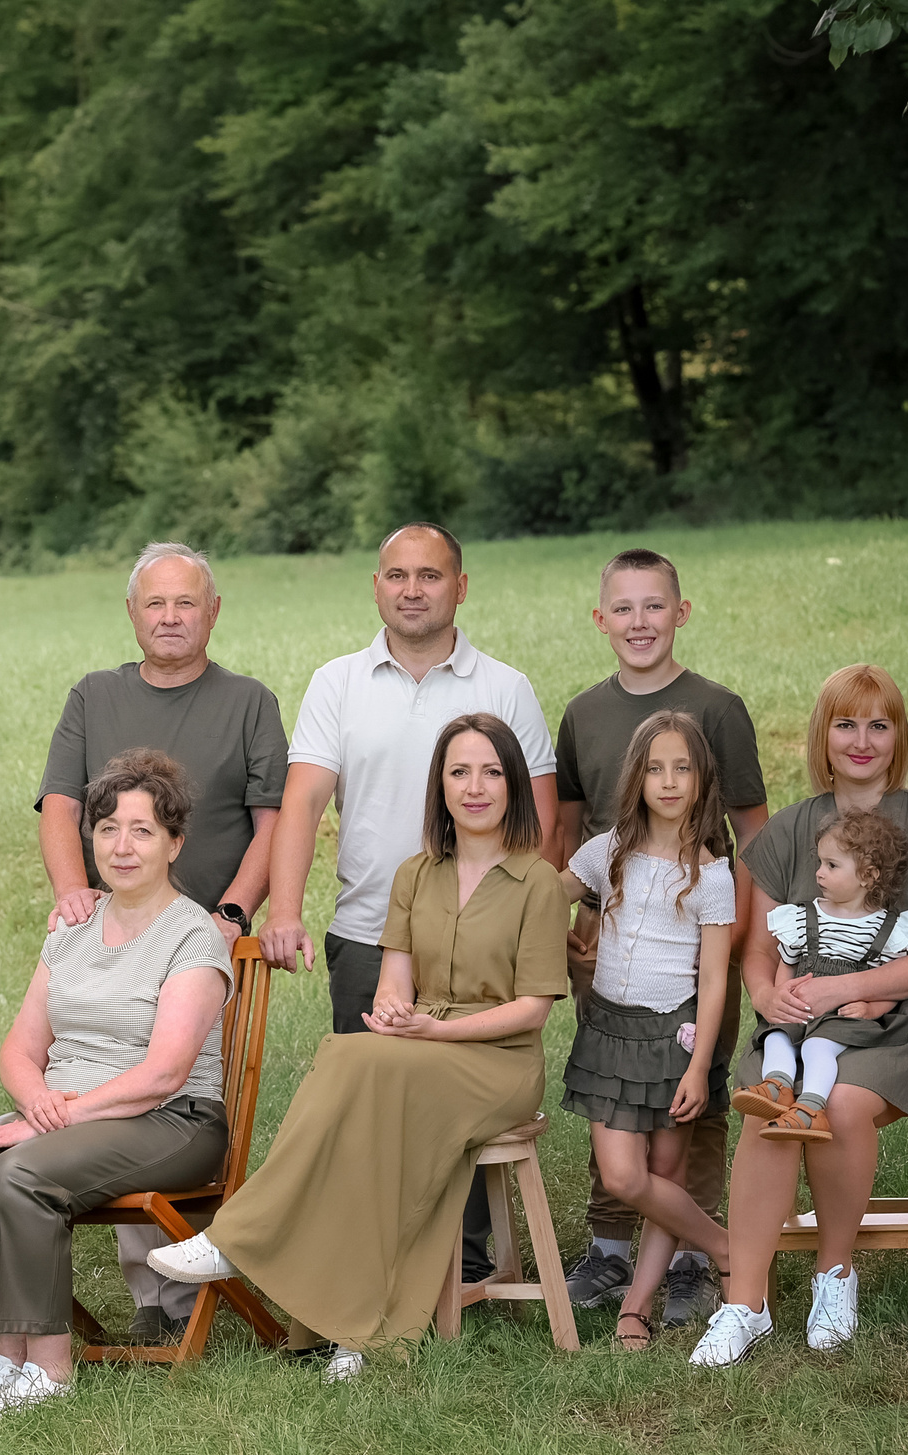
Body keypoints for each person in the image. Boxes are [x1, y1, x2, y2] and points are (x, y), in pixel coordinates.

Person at [151, 714, 570, 1381]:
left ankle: (240, 1238)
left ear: (514, 785)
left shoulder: (538, 882)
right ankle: (355, 1320)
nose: (475, 786)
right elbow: (395, 982)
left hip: (500, 1063)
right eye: (460, 771)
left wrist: (435, 1031)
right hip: (420, 1048)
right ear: (440, 785)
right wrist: (395, 1013)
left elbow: (532, 1010)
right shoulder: (415, 875)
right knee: (350, 1058)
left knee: (354, 1062)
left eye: (491, 771)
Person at [260, 523, 557, 1282]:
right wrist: (285, 909)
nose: (413, 589)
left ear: (460, 587)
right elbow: (302, 804)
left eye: (430, 575)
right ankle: (370, 1254)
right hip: (373, 931)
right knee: (373, 1106)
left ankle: (457, 1265)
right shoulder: (338, 682)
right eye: (398, 575)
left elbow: (541, 822)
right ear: (376, 586)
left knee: (455, 1105)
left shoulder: (504, 687)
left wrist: (518, 920)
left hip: (485, 935)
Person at [0, 750, 235, 1413]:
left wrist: (63, 1114)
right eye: (107, 828)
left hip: (171, 1121)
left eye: (143, 830)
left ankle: (52, 1369)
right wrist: (34, 1101)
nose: (122, 846)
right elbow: (20, 1046)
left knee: (22, 1174)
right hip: (67, 1116)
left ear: (175, 843)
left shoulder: (193, 936)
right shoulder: (73, 928)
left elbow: (165, 1072)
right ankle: (7, 1360)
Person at [694, 664, 908, 1368]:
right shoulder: (790, 831)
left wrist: (845, 990)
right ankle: (746, 1303)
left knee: (845, 1104)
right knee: (769, 1104)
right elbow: (758, 951)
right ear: (823, 736)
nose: (862, 740)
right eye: (846, 724)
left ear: (898, 736)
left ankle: (834, 1273)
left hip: (904, 1023)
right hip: (800, 1025)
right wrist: (767, 997)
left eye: (879, 725)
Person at [37, 541, 287, 1344]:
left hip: (197, 937)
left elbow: (272, 821)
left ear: (212, 612)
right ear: (133, 613)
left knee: (170, 1092)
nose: (171, 616)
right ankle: (152, 1296)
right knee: (107, 1068)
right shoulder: (94, 695)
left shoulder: (248, 701)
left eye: (187, 603)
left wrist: (235, 912)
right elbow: (58, 805)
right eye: (156, 603)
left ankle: (182, 1292)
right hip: (111, 928)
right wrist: (70, 890)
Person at [551, 549, 768, 1327]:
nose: (638, 622)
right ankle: (609, 1249)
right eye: (624, 608)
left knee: (689, 1110)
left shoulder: (716, 707)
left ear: (680, 612)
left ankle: (686, 1261)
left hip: (696, 940)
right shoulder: (583, 712)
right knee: (615, 1096)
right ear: (601, 618)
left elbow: (756, 834)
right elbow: (571, 832)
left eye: (654, 606)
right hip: (610, 940)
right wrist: (577, 919)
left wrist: (751, 939)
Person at [553, 712, 738, 1348]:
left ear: (701, 779)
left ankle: (636, 1308)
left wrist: (697, 1066)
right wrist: (564, 940)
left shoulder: (712, 875)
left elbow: (714, 980)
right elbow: (544, 899)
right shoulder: (606, 853)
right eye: (655, 767)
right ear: (636, 777)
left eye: (681, 768)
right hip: (609, 1032)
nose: (668, 781)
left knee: (667, 1172)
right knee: (625, 1177)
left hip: (673, 1039)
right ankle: (725, 1246)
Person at [728, 808, 908, 1141]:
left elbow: (894, 983)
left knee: (817, 1047)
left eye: (832, 866)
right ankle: (777, 1086)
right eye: (820, 863)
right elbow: (787, 960)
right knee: (777, 1035)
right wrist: (781, 997)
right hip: (802, 1005)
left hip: (844, 1016)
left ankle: (811, 1108)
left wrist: (871, 1009)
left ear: (869, 875)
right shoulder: (804, 916)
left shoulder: (886, 928)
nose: (819, 873)